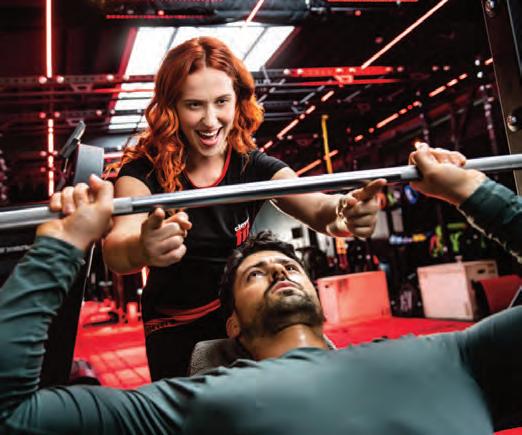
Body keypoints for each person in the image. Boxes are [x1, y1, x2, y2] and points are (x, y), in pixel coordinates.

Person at [1, 145, 522, 434]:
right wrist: (63, 246)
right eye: (255, 274)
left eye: (289, 267)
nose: (277, 271)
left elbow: (322, 207)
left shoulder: (450, 357)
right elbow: (11, 416)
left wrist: (470, 190)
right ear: (233, 326)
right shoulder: (192, 406)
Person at [102, 36, 384, 379]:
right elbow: (116, 250)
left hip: (244, 317)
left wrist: (346, 213)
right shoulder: (141, 172)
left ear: (237, 100)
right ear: (171, 108)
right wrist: (141, 247)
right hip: (176, 326)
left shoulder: (250, 165)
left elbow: (319, 208)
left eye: (221, 101)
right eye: (194, 105)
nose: (210, 120)